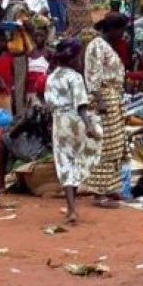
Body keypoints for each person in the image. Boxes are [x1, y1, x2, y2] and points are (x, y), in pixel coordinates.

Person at [45, 39, 101, 224]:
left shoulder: (51, 76)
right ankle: (72, 207)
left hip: (59, 121)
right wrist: (89, 126)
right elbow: (81, 106)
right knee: (78, 160)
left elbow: (48, 103)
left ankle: (71, 208)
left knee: (65, 162)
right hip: (75, 121)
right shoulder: (75, 77)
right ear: (73, 58)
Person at [82, 12, 129, 207]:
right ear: (111, 29)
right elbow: (93, 75)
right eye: (120, 29)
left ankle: (111, 187)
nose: (122, 34)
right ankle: (99, 193)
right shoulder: (96, 45)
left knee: (115, 145)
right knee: (104, 145)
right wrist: (99, 100)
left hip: (113, 97)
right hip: (104, 97)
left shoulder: (107, 46)